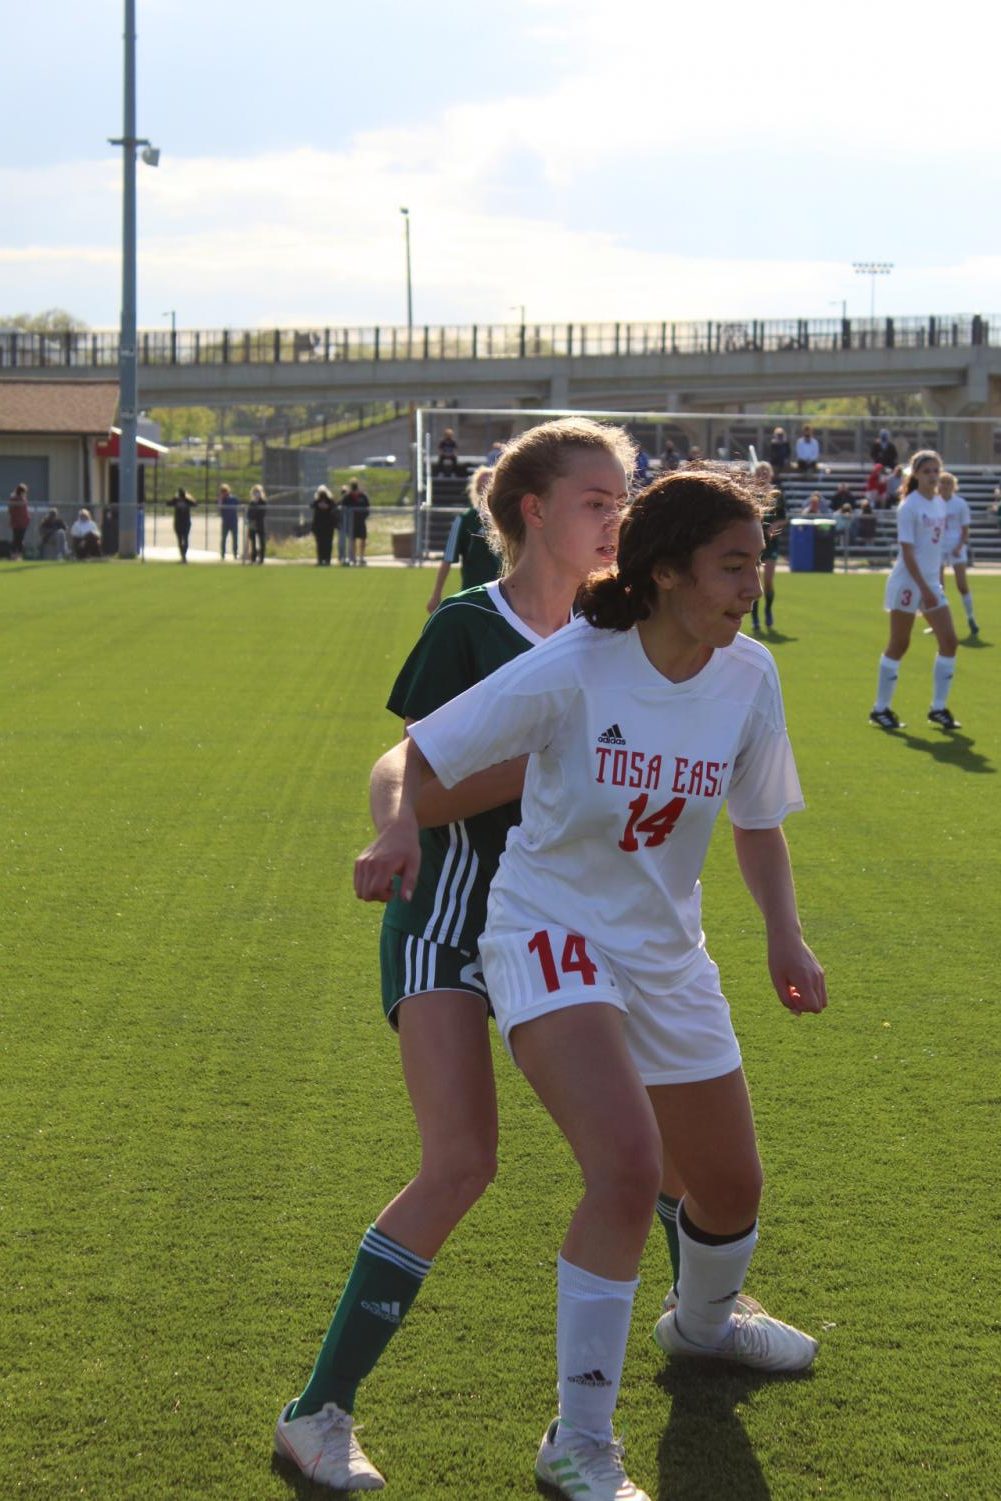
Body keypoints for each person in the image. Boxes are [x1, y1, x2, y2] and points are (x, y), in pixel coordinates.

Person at [360, 466, 826, 1501]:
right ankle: (578, 1439)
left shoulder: (747, 676)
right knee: (625, 1166)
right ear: (665, 573)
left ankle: (701, 1327)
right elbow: (415, 757)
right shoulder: (576, 664)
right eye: (732, 563)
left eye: (756, 560)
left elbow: (756, 823)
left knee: (731, 1189)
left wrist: (783, 940)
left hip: (665, 951)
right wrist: (396, 827)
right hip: (547, 930)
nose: (752, 581)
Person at [273, 417, 638, 1494]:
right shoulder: (470, 628)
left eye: (622, 498)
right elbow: (408, 764)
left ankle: (708, 1302)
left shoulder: (619, 633)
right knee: (461, 1162)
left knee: (637, 1141)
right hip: (450, 916)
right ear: (533, 510)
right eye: (596, 499)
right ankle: (317, 1411)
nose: (616, 516)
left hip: (568, 928)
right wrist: (397, 828)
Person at [870, 449, 960, 730]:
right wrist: (924, 588)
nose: (933, 476)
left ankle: (938, 708)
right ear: (916, 475)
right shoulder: (909, 506)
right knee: (900, 644)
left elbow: (936, 550)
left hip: (930, 583)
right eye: (927, 471)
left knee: (950, 641)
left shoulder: (940, 504)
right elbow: (908, 553)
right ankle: (880, 709)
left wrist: (937, 584)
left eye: (936, 471)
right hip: (909, 582)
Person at [426, 466, 499, 612]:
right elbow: (447, 559)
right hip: (473, 594)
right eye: (482, 483)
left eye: (490, 482)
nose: (486, 486)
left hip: (503, 597)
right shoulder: (465, 520)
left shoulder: (506, 519)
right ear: (476, 488)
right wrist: (436, 594)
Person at [937, 470, 978, 635]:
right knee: (939, 587)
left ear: (953, 486)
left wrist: (959, 546)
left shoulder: (960, 504)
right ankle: (939, 623)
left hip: (956, 545)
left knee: (962, 585)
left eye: (948, 483)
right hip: (938, 546)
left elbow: (965, 530)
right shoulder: (933, 502)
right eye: (942, 482)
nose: (945, 486)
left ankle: (971, 618)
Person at [749, 462, 786, 633]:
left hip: (771, 543)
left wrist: (774, 526)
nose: (763, 475)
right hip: (755, 544)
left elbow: (783, 518)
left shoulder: (776, 494)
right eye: (760, 472)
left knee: (768, 581)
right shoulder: (750, 494)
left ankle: (768, 611)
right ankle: (755, 618)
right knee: (755, 582)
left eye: (766, 472)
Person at [311, 485, 340, 567]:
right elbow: (311, 505)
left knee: (328, 543)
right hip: (319, 526)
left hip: (328, 526)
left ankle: (327, 560)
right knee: (320, 543)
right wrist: (319, 504)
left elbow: (334, 507)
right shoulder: (317, 501)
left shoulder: (330, 501)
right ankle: (320, 559)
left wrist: (327, 507)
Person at [342, 480, 370, 566]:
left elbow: (367, 507)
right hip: (351, 522)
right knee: (352, 540)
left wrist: (363, 516)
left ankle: (361, 557)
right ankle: (353, 558)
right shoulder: (348, 497)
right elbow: (344, 507)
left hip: (361, 522)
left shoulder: (363, 496)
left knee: (363, 539)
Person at [166, 488, 196, 563]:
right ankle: (183, 556)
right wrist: (174, 498)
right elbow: (168, 503)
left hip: (185, 523)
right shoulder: (176, 500)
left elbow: (195, 504)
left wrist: (188, 497)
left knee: (185, 539)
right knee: (180, 540)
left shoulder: (187, 501)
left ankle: (184, 556)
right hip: (178, 523)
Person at [7, 482, 30, 559]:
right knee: (16, 538)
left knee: (20, 539)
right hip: (17, 523)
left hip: (23, 523)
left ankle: (19, 555)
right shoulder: (14, 498)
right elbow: (11, 510)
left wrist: (27, 519)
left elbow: (25, 511)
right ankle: (14, 554)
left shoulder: (23, 499)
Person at [218, 484, 240, 560]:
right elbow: (220, 509)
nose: (224, 493)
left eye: (225, 491)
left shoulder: (233, 499)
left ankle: (235, 554)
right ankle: (222, 554)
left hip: (233, 521)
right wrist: (221, 500)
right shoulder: (222, 500)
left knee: (235, 538)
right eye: (222, 491)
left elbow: (239, 506)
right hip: (225, 522)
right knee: (223, 538)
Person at [246, 485, 267, 564]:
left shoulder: (263, 502)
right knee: (253, 542)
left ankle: (261, 559)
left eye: (258, 492)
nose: (256, 494)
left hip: (260, 524)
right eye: (255, 492)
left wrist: (256, 510)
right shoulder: (252, 503)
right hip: (253, 524)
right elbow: (249, 513)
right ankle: (253, 558)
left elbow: (262, 513)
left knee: (262, 541)